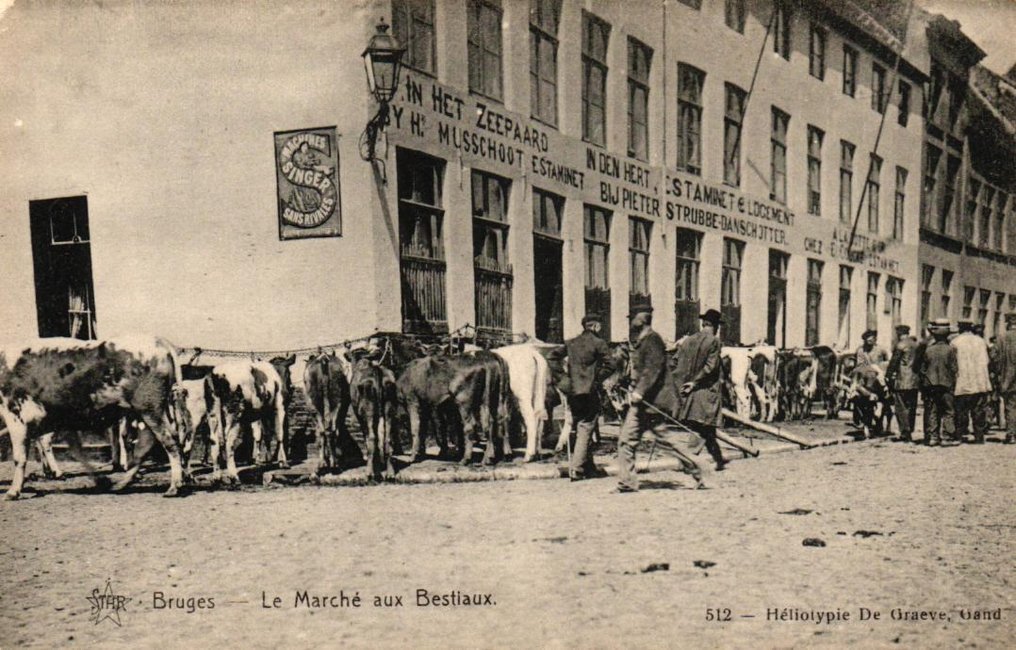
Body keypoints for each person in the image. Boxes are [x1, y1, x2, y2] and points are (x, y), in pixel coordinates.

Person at [615, 305, 705, 492]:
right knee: (626, 441)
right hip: (642, 405)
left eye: (632, 317)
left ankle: (698, 470)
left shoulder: (653, 340)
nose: (630, 321)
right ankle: (627, 482)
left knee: (666, 442)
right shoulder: (641, 341)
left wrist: (639, 391)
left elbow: (653, 369)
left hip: (653, 402)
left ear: (641, 319)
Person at [672, 309, 726, 470]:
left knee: (706, 428)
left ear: (703, 324)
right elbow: (710, 368)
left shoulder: (688, 341)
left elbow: (675, 362)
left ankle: (719, 460)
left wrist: (683, 383)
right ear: (715, 326)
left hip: (689, 392)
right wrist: (694, 382)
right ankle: (687, 460)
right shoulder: (714, 341)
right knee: (702, 426)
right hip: (706, 391)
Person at [563, 314, 611, 480]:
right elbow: (611, 365)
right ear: (596, 326)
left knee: (583, 427)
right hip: (590, 392)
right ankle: (577, 469)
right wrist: (597, 379)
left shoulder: (571, 343)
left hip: (573, 392)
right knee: (586, 426)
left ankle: (588, 467)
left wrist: (563, 380)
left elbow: (552, 357)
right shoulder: (599, 343)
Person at [916, 318, 958, 446]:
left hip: (930, 384)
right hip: (946, 384)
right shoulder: (950, 349)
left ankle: (933, 437)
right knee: (948, 410)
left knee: (932, 410)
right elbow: (954, 368)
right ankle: (947, 436)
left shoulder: (929, 350)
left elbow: (922, 369)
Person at [952, 319, 993, 444]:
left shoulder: (955, 342)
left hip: (962, 380)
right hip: (979, 380)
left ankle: (959, 435)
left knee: (961, 410)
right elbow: (987, 360)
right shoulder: (981, 342)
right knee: (978, 410)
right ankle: (979, 436)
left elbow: (953, 363)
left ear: (960, 328)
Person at [886, 324, 920, 442]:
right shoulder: (916, 345)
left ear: (899, 334)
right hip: (915, 381)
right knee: (912, 407)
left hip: (902, 380)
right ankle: (910, 429)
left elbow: (894, 363)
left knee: (901, 407)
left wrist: (888, 376)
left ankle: (905, 432)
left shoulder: (900, 346)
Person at [990, 313, 1016, 444]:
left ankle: (1011, 435)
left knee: (1010, 406)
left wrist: (998, 372)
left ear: (1008, 323)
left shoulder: (1002, 338)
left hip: (1008, 379)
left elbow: (994, 357)